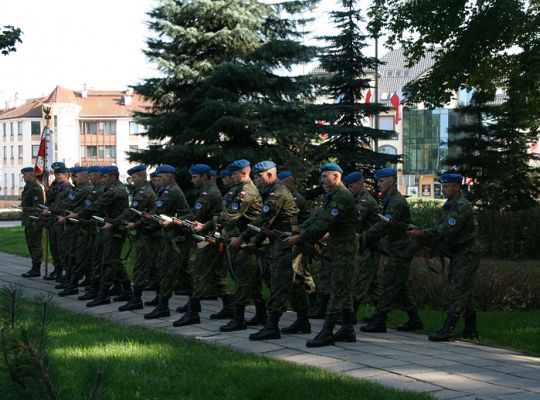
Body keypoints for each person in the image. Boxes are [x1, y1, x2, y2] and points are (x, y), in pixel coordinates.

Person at [284, 162, 358, 347]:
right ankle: (348, 329)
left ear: (336, 176)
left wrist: (299, 237)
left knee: (338, 290)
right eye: (321, 176)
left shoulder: (341, 196)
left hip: (344, 249)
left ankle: (327, 332)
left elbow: (324, 223)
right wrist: (299, 230)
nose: (321, 180)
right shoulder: (333, 195)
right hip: (337, 248)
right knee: (343, 288)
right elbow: (317, 218)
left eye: (325, 176)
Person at [407, 173, 480, 341]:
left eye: (447, 186)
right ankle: (471, 329)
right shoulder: (450, 205)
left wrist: (421, 234)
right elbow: (442, 230)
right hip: (459, 252)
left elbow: (447, 231)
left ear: (457, 187)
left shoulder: (461, 205)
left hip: (467, 253)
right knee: (464, 290)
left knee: (458, 289)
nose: (444, 189)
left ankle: (448, 329)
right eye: (443, 186)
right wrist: (434, 247)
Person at [195, 159, 263, 332]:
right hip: (238, 239)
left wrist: (205, 225)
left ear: (244, 173)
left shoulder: (246, 191)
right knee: (250, 280)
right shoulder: (236, 190)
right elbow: (224, 212)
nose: (231, 177)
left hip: (248, 241)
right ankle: (261, 314)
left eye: (234, 174)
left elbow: (229, 216)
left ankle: (238, 318)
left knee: (242, 280)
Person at [360, 168, 423, 334]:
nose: (378, 184)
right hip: (397, 247)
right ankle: (415, 319)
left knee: (390, 282)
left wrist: (364, 237)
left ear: (391, 181)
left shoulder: (396, 201)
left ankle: (380, 319)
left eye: (381, 181)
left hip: (402, 248)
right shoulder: (391, 199)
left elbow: (384, 225)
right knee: (398, 284)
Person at [173, 164, 230, 327]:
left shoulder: (208, 192)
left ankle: (193, 312)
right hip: (212, 236)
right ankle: (229, 306)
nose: (192, 181)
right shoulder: (209, 191)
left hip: (211, 238)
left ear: (205, 176)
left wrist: (174, 221)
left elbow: (197, 215)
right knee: (215, 275)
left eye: (195, 177)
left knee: (199, 272)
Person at [144, 164, 191, 319]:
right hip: (170, 235)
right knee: (182, 272)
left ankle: (163, 306)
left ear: (169, 176)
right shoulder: (165, 190)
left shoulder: (172, 191)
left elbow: (185, 214)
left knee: (168, 271)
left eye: (161, 176)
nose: (158, 179)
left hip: (176, 237)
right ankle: (193, 302)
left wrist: (170, 222)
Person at [116, 164, 158, 312]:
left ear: (141, 176)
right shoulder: (142, 190)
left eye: (134, 178)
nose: (132, 181)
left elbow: (133, 211)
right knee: (152, 266)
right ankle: (159, 298)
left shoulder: (143, 192)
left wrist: (119, 222)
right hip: (147, 232)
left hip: (147, 233)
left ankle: (136, 300)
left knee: (140, 266)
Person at [343, 171, 381, 322]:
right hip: (363, 244)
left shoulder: (365, 201)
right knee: (372, 283)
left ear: (360, 184)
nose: (349, 188)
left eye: (351, 186)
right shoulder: (357, 199)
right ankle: (381, 315)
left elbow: (356, 221)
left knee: (362, 279)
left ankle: (351, 314)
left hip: (369, 246)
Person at [56, 166, 93, 296]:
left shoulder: (85, 189)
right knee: (74, 254)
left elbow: (69, 204)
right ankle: (74, 280)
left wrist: (58, 211)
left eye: (76, 176)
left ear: (83, 176)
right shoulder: (78, 189)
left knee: (79, 255)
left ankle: (73, 284)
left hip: (80, 226)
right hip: (74, 225)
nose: (74, 179)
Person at [42, 161, 67, 281]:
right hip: (53, 220)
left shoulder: (67, 188)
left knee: (62, 248)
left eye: (59, 174)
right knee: (54, 247)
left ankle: (63, 272)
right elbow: (50, 199)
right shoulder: (55, 185)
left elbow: (63, 206)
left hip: (61, 221)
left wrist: (50, 210)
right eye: (55, 174)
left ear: (65, 174)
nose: (56, 176)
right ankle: (57, 269)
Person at [20, 167, 44, 278]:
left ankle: (36, 268)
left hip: (33, 221)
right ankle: (34, 267)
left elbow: (37, 206)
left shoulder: (35, 188)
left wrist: (35, 220)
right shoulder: (29, 187)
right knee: (30, 244)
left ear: (31, 175)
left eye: (25, 175)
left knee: (35, 244)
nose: (23, 177)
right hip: (28, 220)